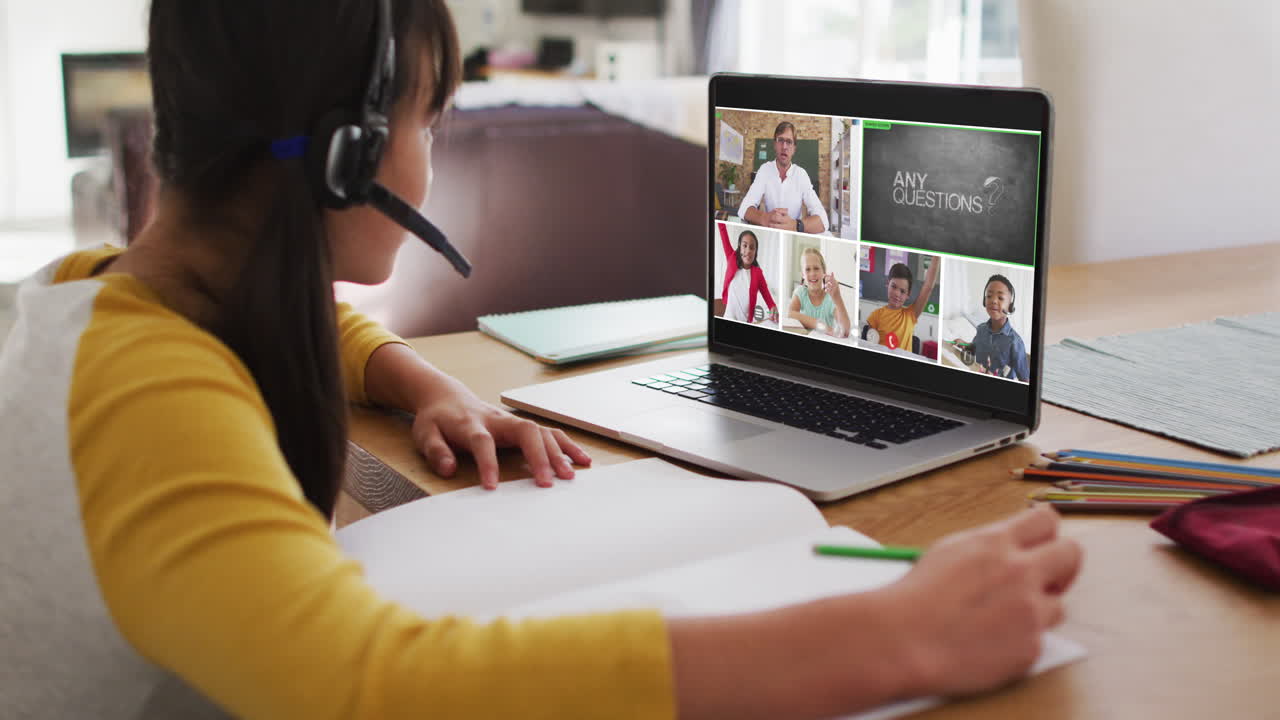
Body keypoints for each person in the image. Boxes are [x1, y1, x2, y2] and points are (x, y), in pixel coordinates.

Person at [0, 3, 1081, 718]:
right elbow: (366, 688)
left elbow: (279, 321)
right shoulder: (151, 397)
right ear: (347, 155)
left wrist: (422, 380)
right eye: (433, 120)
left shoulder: (103, 297)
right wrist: (893, 638)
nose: (432, 157)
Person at [740, 121, 829, 234]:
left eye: (789, 142)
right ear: (774, 144)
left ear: (794, 148)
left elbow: (823, 221)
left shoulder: (801, 175)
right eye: (780, 140)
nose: (784, 146)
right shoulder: (764, 170)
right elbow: (743, 209)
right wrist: (764, 218)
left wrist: (795, 225)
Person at [866, 256, 941, 354]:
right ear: (887, 284)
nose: (897, 293)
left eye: (902, 291)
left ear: (908, 295)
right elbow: (870, 343)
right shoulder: (875, 315)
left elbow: (928, 287)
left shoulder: (911, 314)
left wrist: (936, 257)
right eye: (894, 286)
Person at [972, 274, 1030, 381]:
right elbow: (973, 349)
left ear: (1010, 306)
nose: (993, 301)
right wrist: (965, 345)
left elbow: (1025, 380)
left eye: (1000, 298)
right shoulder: (981, 329)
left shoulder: (1015, 342)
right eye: (989, 296)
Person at [719, 225, 778, 324]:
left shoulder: (758, 273)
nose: (748, 251)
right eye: (745, 246)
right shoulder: (731, 258)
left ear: (755, 251)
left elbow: (767, 296)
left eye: (752, 247)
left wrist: (773, 308)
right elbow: (722, 230)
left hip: (746, 322)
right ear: (739, 247)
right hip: (728, 318)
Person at [789, 246, 850, 337]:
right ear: (803, 275)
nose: (812, 273)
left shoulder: (830, 299)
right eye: (807, 269)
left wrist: (837, 297)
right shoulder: (800, 292)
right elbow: (791, 314)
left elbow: (845, 331)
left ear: (823, 272)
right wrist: (822, 326)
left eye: (816, 268)